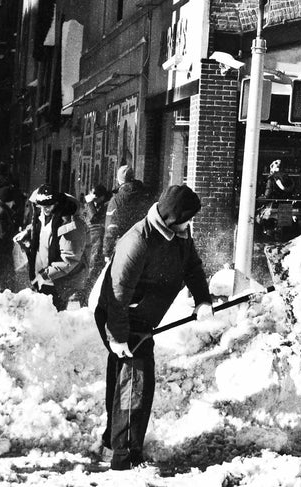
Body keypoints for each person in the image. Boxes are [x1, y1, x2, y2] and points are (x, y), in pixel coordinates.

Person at [93, 185, 214, 471]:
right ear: (173, 217)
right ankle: (124, 457)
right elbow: (118, 292)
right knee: (135, 383)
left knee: (127, 380)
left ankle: (113, 443)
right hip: (122, 315)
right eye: (187, 218)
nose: (190, 223)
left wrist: (203, 299)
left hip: (142, 315)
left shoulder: (179, 234)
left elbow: (192, 267)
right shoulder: (137, 241)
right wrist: (118, 336)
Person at [30, 191, 91, 311]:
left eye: (47, 206)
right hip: (48, 277)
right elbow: (45, 234)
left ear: (57, 204)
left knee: (53, 316)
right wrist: (28, 234)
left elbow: (69, 259)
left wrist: (45, 275)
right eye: (40, 206)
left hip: (62, 281)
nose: (43, 210)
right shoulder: (48, 216)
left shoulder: (72, 226)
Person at [104, 165, 153, 260]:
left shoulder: (116, 200)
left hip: (123, 246)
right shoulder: (146, 195)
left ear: (119, 180)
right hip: (144, 244)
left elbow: (111, 227)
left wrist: (107, 252)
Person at [82, 184, 113, 300]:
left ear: (102, 197)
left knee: (93, 268)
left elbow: (94, 218)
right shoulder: (91, 204)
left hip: (98, 242)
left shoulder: (107, 205)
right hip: (88, 240)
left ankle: (87, 296)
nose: (94, 201)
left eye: (96, 198)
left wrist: (90, 203)